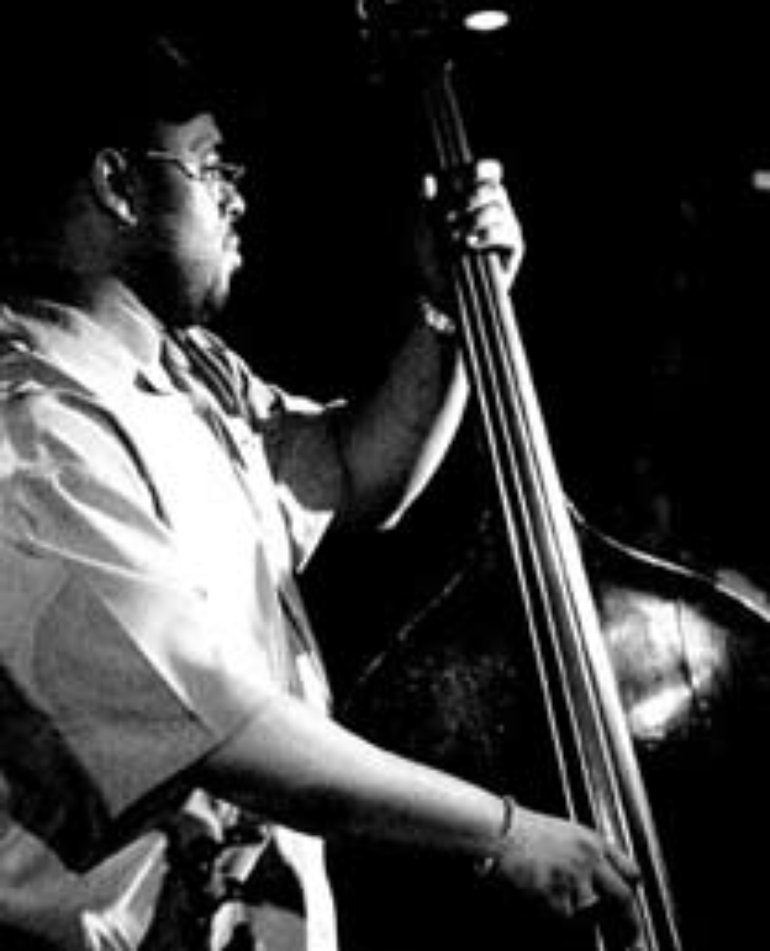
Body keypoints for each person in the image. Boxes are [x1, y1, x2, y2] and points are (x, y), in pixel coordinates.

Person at [0, 24, 640, 951]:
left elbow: (352, 472)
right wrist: (504, 831)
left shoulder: (194, 375)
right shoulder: (34, 432)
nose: (237, 196)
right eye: (208, 168)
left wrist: (449, 310)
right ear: (117, 185)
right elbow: (226, 730)